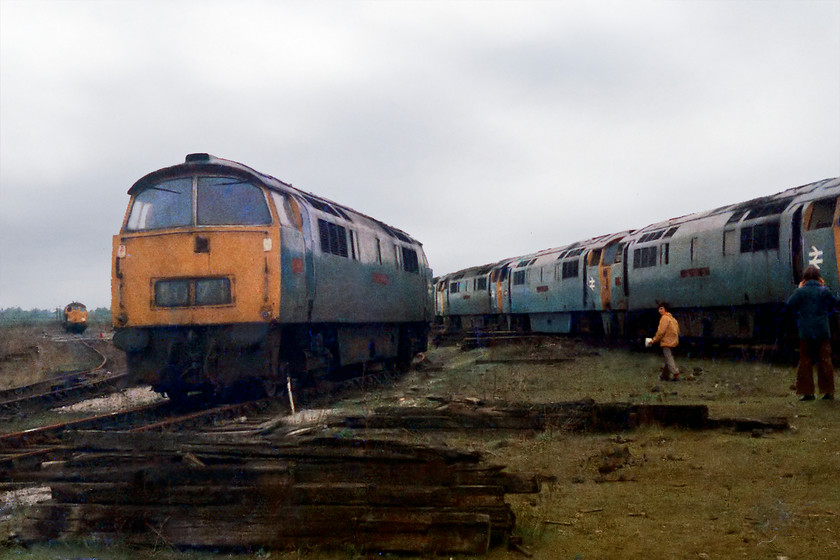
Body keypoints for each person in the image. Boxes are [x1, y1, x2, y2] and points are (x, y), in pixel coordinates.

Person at [786, 265, 837, 401]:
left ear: (804, 278)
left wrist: (799, 289)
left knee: (805, 361)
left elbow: (789, 304)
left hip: (806, 332)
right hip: (822, 332)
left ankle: (807, 393)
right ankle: (827, 392)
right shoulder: (824, 290)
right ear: (819, 278)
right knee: (825, 360)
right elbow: (834, 303)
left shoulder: (800, 292)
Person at [647, 302, 680, 381]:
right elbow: (678, 330)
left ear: (665, 309)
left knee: (668, 358)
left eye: (661, 308)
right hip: (674, 341)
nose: (660, 310)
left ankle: (675, 373)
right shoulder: (672, 318)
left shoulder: (664, 318)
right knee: (667, 359)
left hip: (667, 342)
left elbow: (661, 332)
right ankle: (664, 376)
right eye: (659, 309)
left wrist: (653, 340)